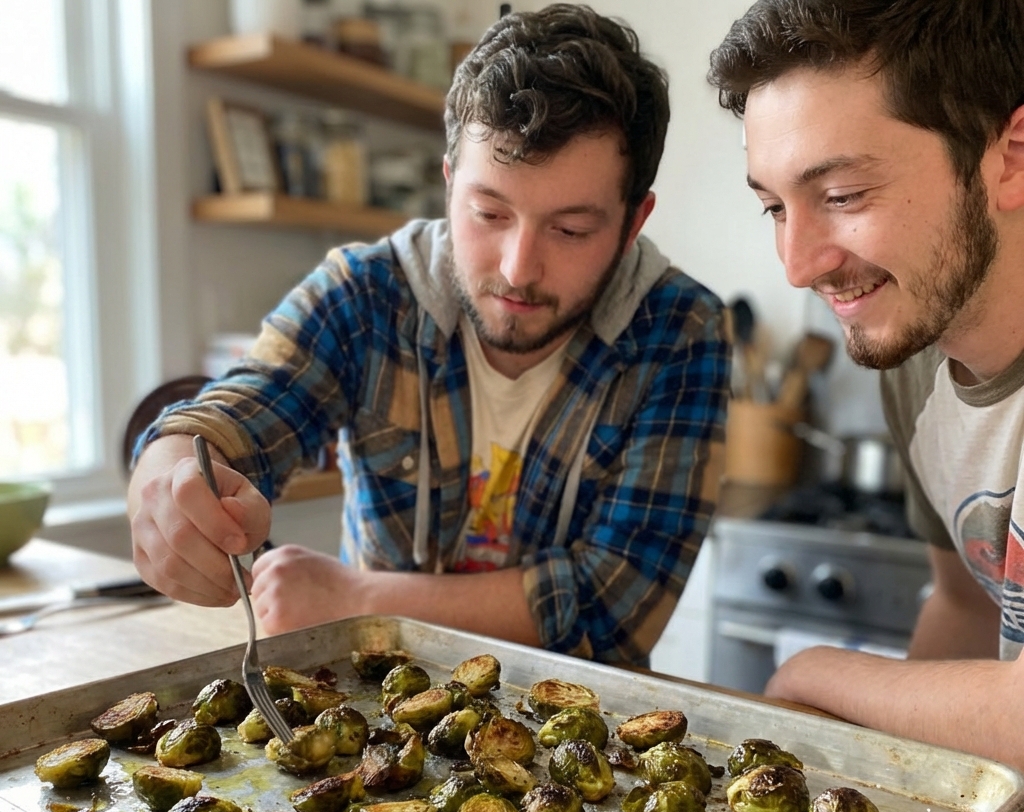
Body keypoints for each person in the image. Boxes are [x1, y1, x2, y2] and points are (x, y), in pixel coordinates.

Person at [128, 5, 730, 667]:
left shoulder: (682, 331)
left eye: (571, 230)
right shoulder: (365, 292)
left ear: (633, 219)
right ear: (449, 185)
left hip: (575, 735)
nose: (517, 268)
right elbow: (241, 412)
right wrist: (169, 467)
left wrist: (358, 598)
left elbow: (611, 612)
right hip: (373, 712)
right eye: (488, 212)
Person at [708, 0, 1024, 767]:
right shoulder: (915, 360)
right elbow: (962, 606)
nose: (798, 264)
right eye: (774, 208)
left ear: (1011, 157)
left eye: (843, 196)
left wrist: (817, 673)